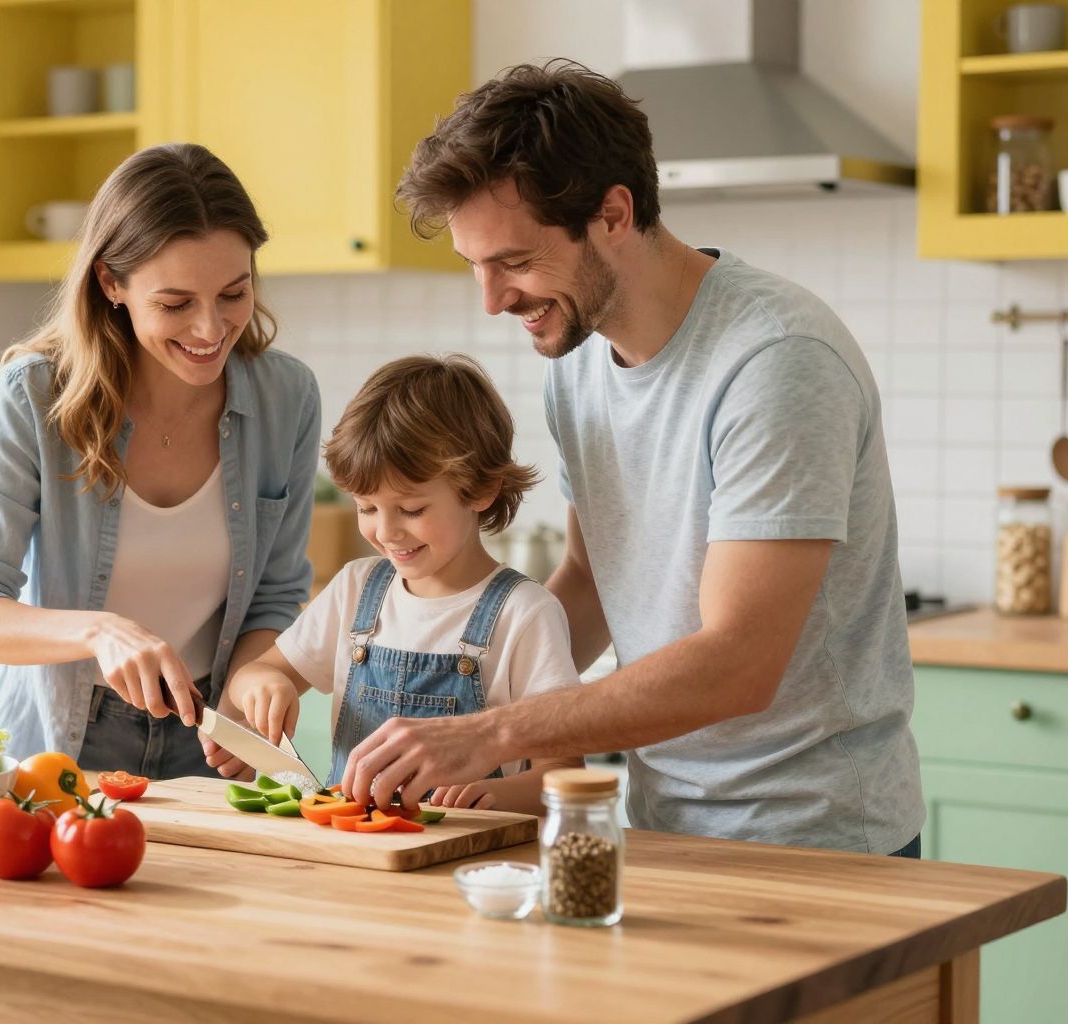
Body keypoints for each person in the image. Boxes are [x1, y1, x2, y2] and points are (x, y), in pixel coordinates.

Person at [341, 60, 925, 857]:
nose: (492, 298)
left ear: (613, 213)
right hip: (664, 824)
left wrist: (495, 729)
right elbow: (588, 582)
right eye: (474, 266)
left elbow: (738, 664)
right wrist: (452, 693)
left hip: (818, 840)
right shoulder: (578, 361)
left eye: (513, 261)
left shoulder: (776, 360)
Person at [0, 143, 320, 781]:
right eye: (175, 304)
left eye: (233, 293)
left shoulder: (288, 398)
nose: (210, 328)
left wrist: (251, 688)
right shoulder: (36, 395)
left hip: (207, 736)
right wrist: (99, 633)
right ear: (111, 283)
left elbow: (275, 596)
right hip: (55, 740)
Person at [224, 354, 582, 815]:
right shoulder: (356, 588)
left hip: (468, 854)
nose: (386, 532)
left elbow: (564, 771)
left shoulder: (525, 612)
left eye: (411, 509)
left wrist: (497, 798)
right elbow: (253, 675)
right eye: (367, 508)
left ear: (480, 490)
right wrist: (264, 686)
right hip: (356, 852)